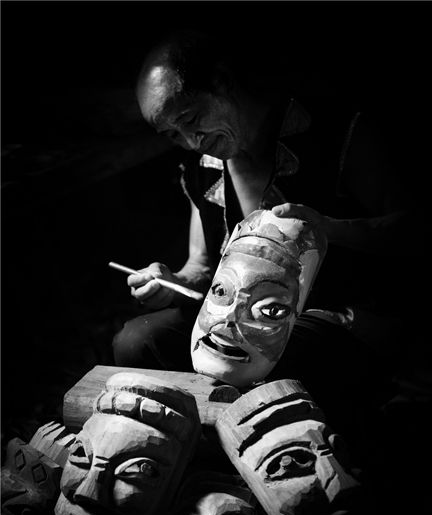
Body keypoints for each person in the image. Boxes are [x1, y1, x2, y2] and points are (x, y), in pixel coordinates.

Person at [112, 29, 426, 425]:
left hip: (341, 316)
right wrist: (170, 282)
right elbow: (202, 267)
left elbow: (414, 231)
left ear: (222, 83)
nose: (191, 141)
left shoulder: (334, 132)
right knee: (137, 341)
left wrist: (327, 229)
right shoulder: (202, 165)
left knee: (266, 365)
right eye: (173, 133)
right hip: (241, 319)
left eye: (190, 118)